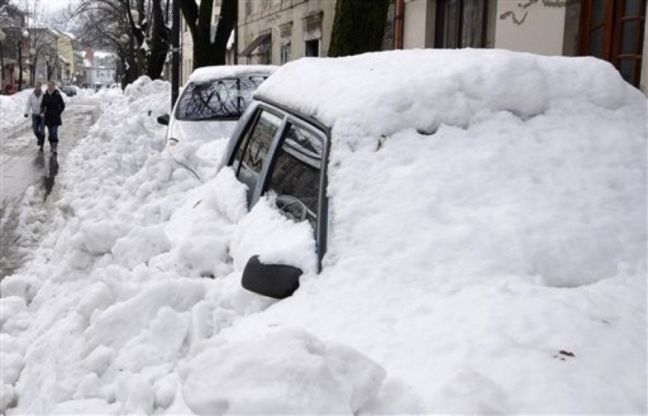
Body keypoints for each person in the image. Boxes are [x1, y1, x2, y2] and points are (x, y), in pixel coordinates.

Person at [40, 80, 65, 154]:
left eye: (51, 85)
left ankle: (54, 147)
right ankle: (51, 145)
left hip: (55, 117)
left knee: (54, 132)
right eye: (49, 85)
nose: (50, 87)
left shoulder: (58, 95)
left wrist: (58, 112)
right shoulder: (45, 95)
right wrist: (42, 112)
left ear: (54, 86)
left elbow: (62, 105)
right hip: (47, 117)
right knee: (50, 133)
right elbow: (42, 105)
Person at [24, 81, 46, 151]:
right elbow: (28, 104)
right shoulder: (31, 95)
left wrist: (45, 112)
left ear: (40, 87)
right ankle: (40, 139)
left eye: (38, 86)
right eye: (36, 86)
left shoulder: (44, 95)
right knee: (35, 130)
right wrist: (26, 112)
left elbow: (46, 105)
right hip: (34, 115)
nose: (37, 87)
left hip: (42, 115)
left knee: (41, 131)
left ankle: (41, 145)